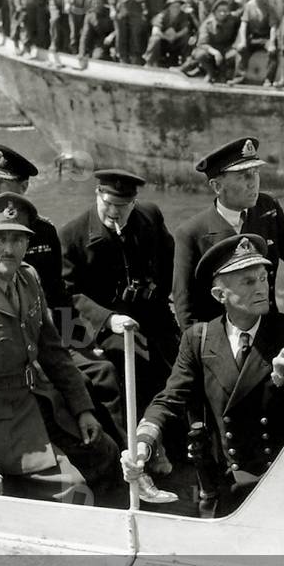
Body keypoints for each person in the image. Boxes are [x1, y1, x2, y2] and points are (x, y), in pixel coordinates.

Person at [0, 193, 119, 503]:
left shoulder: (28, 280)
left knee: (105, 453)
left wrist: (82, 409)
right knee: (74, 490)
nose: (9, 248)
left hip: (32, 404)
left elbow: (52, 351)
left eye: (18, 240)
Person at [0, 145, 127, 451]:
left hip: (47, 337)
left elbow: (58, 296)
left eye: (1, 184)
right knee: (66, 384)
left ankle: (125, 453)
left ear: (23, 187)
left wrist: (80, 342)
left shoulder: (43, 232)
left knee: (102, 371)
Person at [123, 233, 284, 517]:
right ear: (220, 296)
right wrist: (142, 442)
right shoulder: (199, 339)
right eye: (247, 282)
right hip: (224, 483)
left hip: (281, 480)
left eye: (262, 278)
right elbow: (171, 399)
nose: (261, 288)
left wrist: (281, 379)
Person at [172, 137, 284, 331]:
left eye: (255, 173)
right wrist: (201, 351)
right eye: (243, 176)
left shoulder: (267, 207)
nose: (253, 183)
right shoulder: (191, 233)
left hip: (266, 326)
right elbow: (185, 306)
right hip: (222, 335)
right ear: (217, 186)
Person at [60, 170, 178, 423]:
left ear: (134, 203)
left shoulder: (150, 217)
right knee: (133, 365)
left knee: (179, 357)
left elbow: (168, 261)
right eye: (109, 204)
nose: (114, 212)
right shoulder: (71, 235)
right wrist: (107, 319)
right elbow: (66, 295)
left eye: (123, 206)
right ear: (97, 195)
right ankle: (133, 439)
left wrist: (158, 301)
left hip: (148, 313)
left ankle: (178, 435)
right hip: (100, 324)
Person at [144, 0, 195, 67]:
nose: (176, 9)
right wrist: (166, 37)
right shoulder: (162, 15)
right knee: (155, 39)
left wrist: (175, 36)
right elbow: (155, 31)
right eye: (174, 7)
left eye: (178, 7)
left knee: (186, 39)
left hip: (175, 42)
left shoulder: (183, 16)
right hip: (163, 42)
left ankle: (185, 64)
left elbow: (185, 30)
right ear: (169, 7)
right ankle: (150, 62)